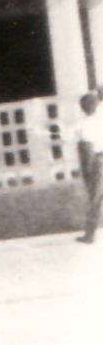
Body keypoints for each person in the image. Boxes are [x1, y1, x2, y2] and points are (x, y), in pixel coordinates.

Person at [77, 91, 103, 244]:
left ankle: (89, 235)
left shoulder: (85, 125)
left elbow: (87, 150)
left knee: (95, 199)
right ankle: (89, 234)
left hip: (98, 161)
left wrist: (87, 172)